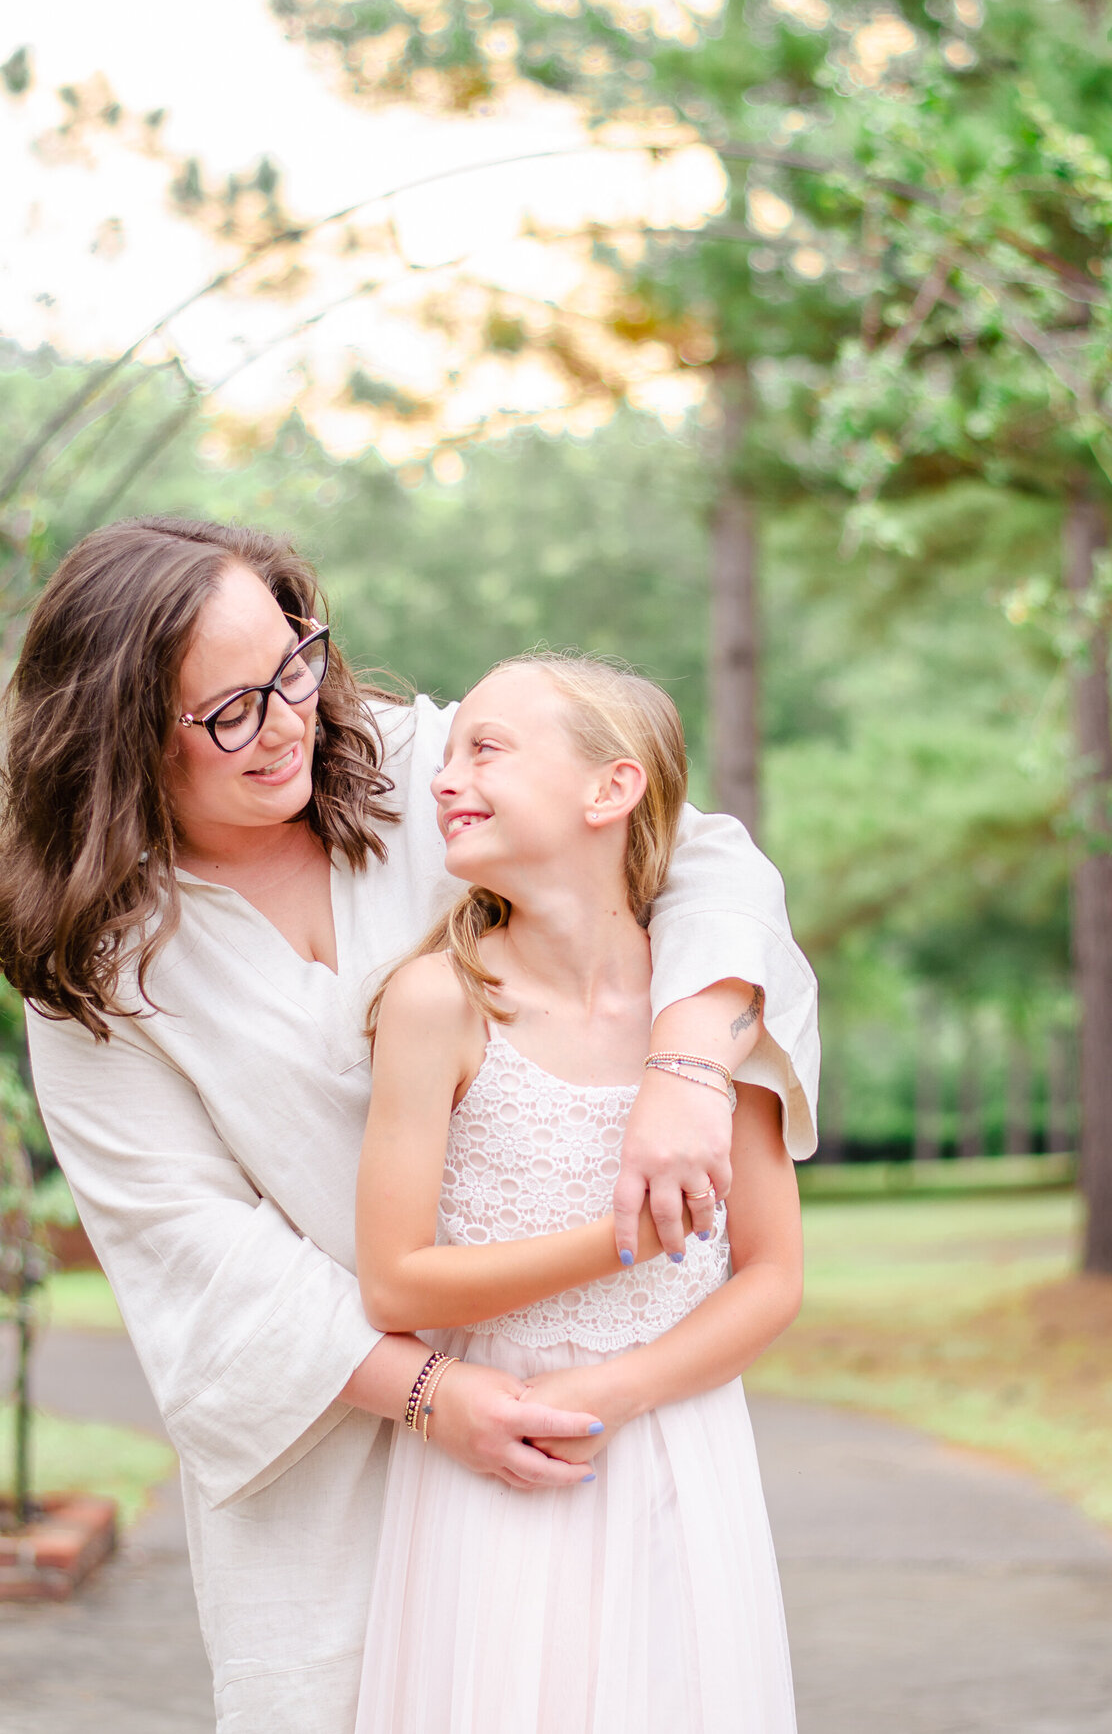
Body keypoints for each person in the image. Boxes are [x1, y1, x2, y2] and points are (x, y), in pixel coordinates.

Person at [0, 516, 818, 1734]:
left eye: (294, 665)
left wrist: (688, 1066)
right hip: (331, 1442)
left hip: (576, 1428)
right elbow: (194, 1251)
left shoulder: (432, 769)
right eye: (227, 713)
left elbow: (704, 858)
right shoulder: (97, 967)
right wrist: (433, 1395)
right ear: (116, 741)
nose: (286, 723)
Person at [353, 653, 802, 1733]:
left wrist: (628, 1390)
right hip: (503, 1451)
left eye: (488, 749)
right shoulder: (439, 1002)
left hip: (677, 1448)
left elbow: (775, 1274)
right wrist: (622, 1240)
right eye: (447, 754)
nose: (446, 779)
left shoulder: (714, 1007)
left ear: (611, 790)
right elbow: (393, 1282)